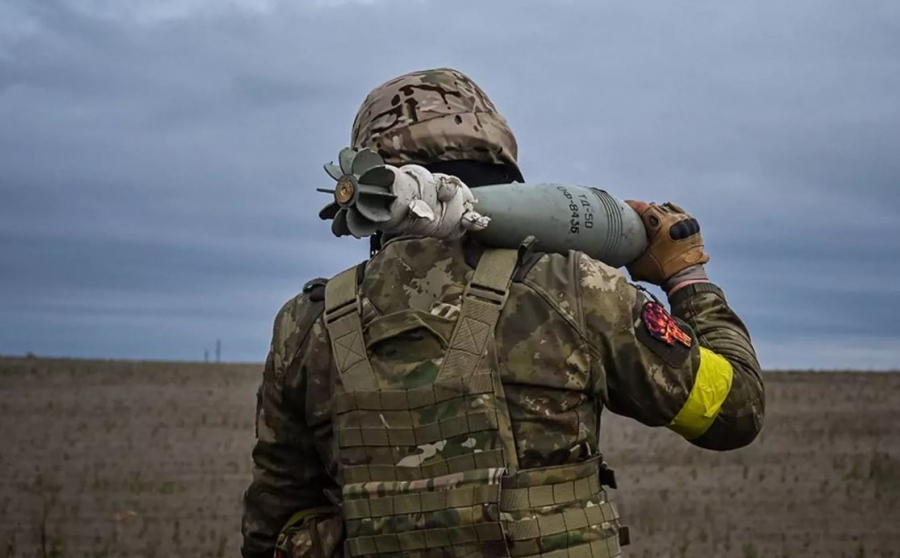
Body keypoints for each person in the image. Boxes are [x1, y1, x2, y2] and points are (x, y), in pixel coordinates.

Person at [241, 67, 765, 558]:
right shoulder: (574, 289)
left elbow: (274, 519)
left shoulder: (306, 324)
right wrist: (687, 276)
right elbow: (733, 411)